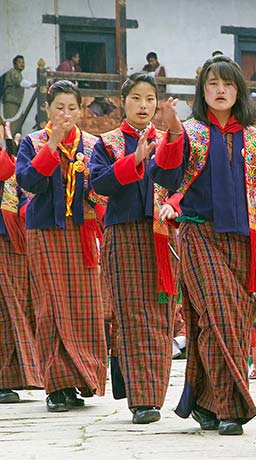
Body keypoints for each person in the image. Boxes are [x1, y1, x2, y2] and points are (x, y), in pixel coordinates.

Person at [149, 55, 256, 436]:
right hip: (198, 235)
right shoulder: (189, 132)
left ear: (238, 90)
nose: (220, 89)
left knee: (229, 322)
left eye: (227, 83)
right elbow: (166, 174)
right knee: (222, 314)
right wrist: (172, 132)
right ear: (202, 91)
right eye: (212, 83)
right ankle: (230, 407)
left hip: (243, 244)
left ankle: (205, 401)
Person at [88, 72, 177, 424]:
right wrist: (134, 160)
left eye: (150, 99)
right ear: (122, 102)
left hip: (163, 235)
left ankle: (153, 394)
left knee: (162, 314)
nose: (144, 105)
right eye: (137, 98)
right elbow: (98, 183)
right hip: (124, 234)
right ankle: (142, 400)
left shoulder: (169, 140)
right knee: (132, 316)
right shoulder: (106, 143)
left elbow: (184, 180)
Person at [16, 80, 106, 412]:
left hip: (81, 233)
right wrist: (51, 145)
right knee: (50, 307)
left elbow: (100, 188)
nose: (65, 115)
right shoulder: (33, 141)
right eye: (59, 108)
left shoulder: (93, 144)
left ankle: (81, 378)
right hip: (45, 231)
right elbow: (28, 182)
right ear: (47, 110)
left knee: (84, 306)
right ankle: (56, 386)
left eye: (71, 108)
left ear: (81, 110)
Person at [0, 119, 42, 403]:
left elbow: (22, 193)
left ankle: (11, 377)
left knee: (15, 306)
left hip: (11, 239)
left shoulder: (12, 159)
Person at [2, 55, 31, 135]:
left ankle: (15, 146)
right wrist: (32, 85)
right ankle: (10, 147)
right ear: (15, 64)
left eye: (23, 62)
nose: (22, 64)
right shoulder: (13, 72)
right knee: (11, 128)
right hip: (11, 103)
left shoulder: (18, 74)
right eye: (19, 62)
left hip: (16, 104)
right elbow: (20, 82)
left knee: (17, 128)